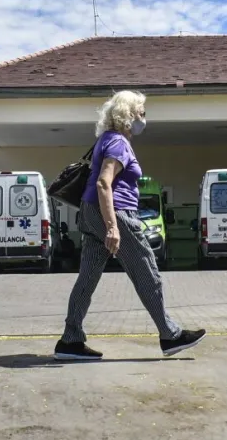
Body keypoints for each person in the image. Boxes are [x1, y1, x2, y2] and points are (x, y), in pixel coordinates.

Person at [54, 91, 206, 361]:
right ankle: (169, 335)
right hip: (114, 213)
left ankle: (70, 340)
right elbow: (104, 183)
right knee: (147, 271)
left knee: (87, 279)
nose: (144, 117)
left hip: (90, 213)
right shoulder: (118, 143)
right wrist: (112, 227)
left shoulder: (105, 139)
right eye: (141, 112)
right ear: (128, 114)